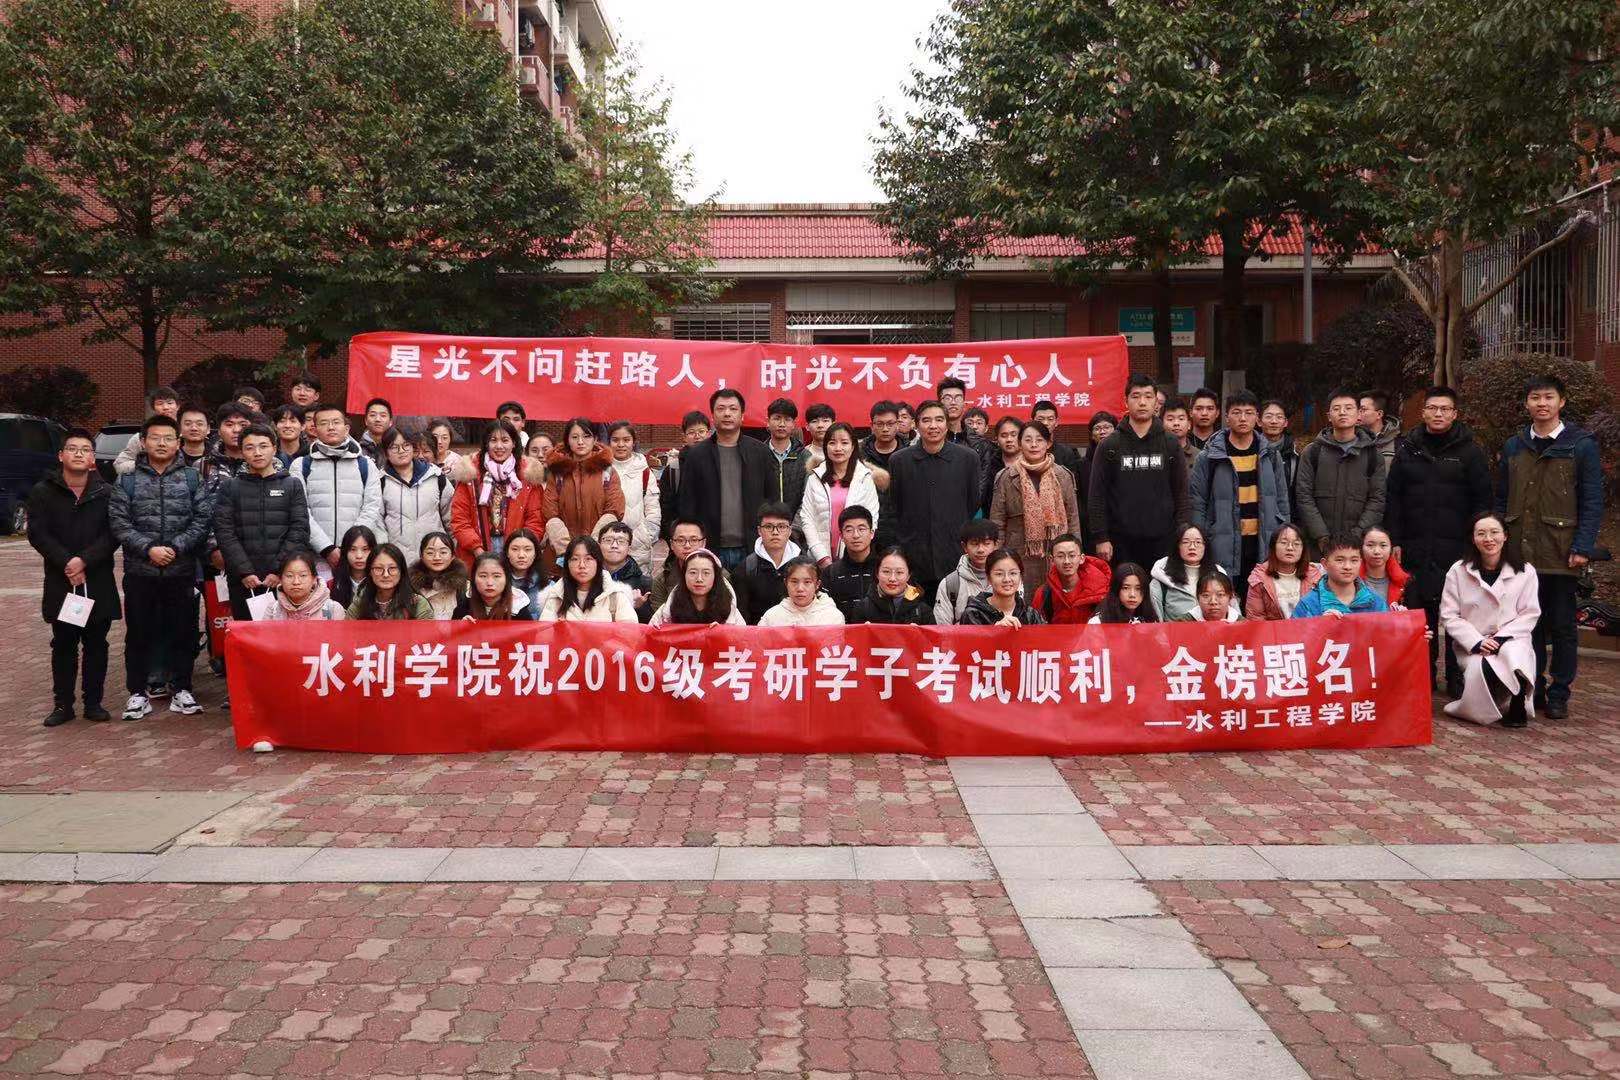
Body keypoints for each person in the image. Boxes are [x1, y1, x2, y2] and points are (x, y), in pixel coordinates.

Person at [1494, 374, 1603, 719]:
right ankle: (1534, 686)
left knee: (1563, 625)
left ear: (1562, 402)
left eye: (1549, 397)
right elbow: (1501, 497)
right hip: (1520, 552)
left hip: (1561, 551)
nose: (1542, 404)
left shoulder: (1580, 445)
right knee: (1528, 624)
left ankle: (1559, 692)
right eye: (1535, 398)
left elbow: (1592, 501)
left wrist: (1582, 545)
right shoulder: (1515, 445)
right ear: (1527, 403)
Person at [1384, 386, 1493, 694]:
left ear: (1454, 414)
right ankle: (1424, 674)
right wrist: (1395, 539)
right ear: (1423, 412)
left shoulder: (1470, 452)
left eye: (1445, 409)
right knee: (1422, 613)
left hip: (1457, 547)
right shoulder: (1408, 449)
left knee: (1458, 614)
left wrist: (1477, 542)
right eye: (1432, 408)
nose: (1438, 414)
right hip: (1415, 545)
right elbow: (1393, 498)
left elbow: (1483, 501)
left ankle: (1458, 677)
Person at [108, 415, 211, 720]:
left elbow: (202, 520)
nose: (162, 443)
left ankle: (182, 688)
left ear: (178, 442)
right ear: (143, 442)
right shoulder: (127, 480)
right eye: (155, 438)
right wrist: (148, 549)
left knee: (183, 632)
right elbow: (119, 523)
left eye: (168, 438)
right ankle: (138, 693)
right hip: (141, 572)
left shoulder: (192, 478)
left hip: (181, 571)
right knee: (139, 633)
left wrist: (176, 548)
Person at [28, 429, 120, 727]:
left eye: (85, 449)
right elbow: (37, 533)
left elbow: (113, 534)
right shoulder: (43, 491)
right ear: (61, 455)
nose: (79, 453)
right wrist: (67, 561)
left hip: (97, 578)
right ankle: (63, 705)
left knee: (97, 643)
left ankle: (93, 703)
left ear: (93, 458)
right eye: (72, 448)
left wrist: (84, 560)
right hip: (62, 579)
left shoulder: (106, 493)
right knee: (63, 643)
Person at [1189, 390, 1291, 601]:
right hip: (1222, 542)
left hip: (1262, 541)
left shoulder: (1270, 455)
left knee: (1260, 600)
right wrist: (1201, 538)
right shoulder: (1210, 456)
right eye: (1236, 412)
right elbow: (1198, 502)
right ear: (1227, 417)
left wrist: (1283, 534)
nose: (1243, 418)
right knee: (1225, 601)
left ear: (1257, 418)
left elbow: (1281, 500)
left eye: (1249, 413)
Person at [1441, 513, 1541, 728]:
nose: (1488, 539)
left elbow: (1530, 613)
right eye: (1481, 533)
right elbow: (1449, 615)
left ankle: (1518, 703)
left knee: (1513, 654)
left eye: (1494, 532)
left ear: (1505, 535)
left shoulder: (1525, 571)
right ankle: (1487, 703)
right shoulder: (1458, 571)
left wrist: (1501, 638)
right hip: (1473, 642)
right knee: (1482, 667)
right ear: (1473, 538)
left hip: (1512, 638)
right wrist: (1477, 641)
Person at [1089, 374, 1189, 572]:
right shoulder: (1110, 445)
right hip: (1120, 542)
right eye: (1135, 396)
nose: (1142, 402)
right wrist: (1101, 537)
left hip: (1164, 540)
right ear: (1125, 401)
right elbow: (1097, 495)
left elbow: (1181, 493)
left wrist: (1182, 534)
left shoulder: (1170, 443)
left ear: (1156, 403)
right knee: (1126, 589)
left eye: (1148, 396)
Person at [212, 423, 310, 620]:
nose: (257, 453)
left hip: (285, 578)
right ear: (242, 452)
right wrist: (244, 571)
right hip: (243, 579)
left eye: (263, 446)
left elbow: (299, 529)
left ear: (274, 448)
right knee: (247, 633)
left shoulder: (292, 485)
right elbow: (224, 532)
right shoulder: (230, 487)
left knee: (285, 633)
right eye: (249, 447)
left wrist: (279, 571)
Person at [888, 400, 982, 599]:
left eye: (939, 420)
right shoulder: (899, 461)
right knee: (914, 609)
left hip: (953, 552)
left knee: (955, 610)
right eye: (926, 420)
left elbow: (973, 503)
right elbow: (895, 506)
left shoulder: (968, 458)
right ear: (916, 425)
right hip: (913, 556)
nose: (933, 426)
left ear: (947, 425)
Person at [678, 389, 776, 570]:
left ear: (742, 415)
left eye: (733, 409)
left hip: (753, 547)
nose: (727, 413)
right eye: (721, 409)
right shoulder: (697, 455)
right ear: (712, 416)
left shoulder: (760, 452)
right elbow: (687, 503)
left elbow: (772, 499)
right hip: (709, 547)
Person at [1294, 387, 1386, 558]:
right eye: (1336, 408)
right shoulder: (1312, 452)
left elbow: (1377, 499)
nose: (1342, 412)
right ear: (1329, 416)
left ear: (1359, 414)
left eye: (1348, 408)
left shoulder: (1373, 455)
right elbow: (1303, 496)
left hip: (1357, 545)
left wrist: (1357, 535)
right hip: (1317, 545)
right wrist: (1321, 536)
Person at [990, 420, 1081, 586]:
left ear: (1048, 444)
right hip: (1019, 553)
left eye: (1039, 440)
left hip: (1057, 554)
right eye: (1028, 440)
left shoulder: (1062, 475)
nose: (1034, 445)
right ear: (1020, 444)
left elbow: (1072, 518)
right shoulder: (1006, 477)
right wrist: (997, 557)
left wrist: (1075, 553)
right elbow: (997, 522)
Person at [294, 404, 382, 573]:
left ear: (346, 428)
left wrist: (353, 546)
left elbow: (372, 507)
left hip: (357, 555)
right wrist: (326, 548)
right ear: (315, 429)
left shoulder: (365, 465)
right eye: (324, 423)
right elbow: (300, 511)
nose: (331, 427)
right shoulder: (302, 465)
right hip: (315, 556)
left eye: (336, 422)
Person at [450, 420, 546, 568]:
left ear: (514, 443)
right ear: (486, 443)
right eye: (493, 440)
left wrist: (521, 549)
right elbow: (459, 519)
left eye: (505, 440)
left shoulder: (528, 475)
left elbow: (535, 519)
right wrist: (478, 551)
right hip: (476, 549)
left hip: (517, 550)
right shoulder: (469, 473)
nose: (499, 446)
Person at [799, 422, 883, 566]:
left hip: (856, 557)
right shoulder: (815, 478)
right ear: (825, 447)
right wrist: (822, 558)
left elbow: (872, 517)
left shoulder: (864, 478)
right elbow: (807, 518)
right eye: (832, 443)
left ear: (853, 446)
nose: (838, 448)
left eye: (844, 443)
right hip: (819, 557)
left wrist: (857, 552)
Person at [543, 418, 625, 560]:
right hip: (562, 554)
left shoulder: (607, 472)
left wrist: (591, 548)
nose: (580, 442)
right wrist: (569, 553)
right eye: (575, 437)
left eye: (586, 436)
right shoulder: (557, 473)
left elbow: (613, 510)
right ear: (567, 440)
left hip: (598, 553)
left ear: (595, 439)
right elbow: (550, 513)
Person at [376, 425, 454, 561]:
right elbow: (378, 524)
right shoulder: (380, 482)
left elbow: (452, 519)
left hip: (435, 558)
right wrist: (385, 555)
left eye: (406, 445)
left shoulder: (435, 477)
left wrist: (452, 550)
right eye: (394, 447)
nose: (401, 451)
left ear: (412, 447)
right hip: (398, 560)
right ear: (386, 452)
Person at [535, 535, 640, 622]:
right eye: (575, 559)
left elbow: (630, 634)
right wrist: (557, 630)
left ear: (598, 562)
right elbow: (544, 635)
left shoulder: (615, 595)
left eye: (588, 559)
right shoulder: (556, 595)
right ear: (567, 563)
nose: (582, 565)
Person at [730, 503, 801, 624]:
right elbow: (741, 616)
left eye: (781, 526)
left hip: (797, 632)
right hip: (758, 632)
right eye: (768, 527)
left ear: (790, 531)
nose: (775, 532)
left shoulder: (804, 565)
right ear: (759, 530)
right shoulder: (746, 568)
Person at [644, 517, 728, 618]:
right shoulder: (661, 581)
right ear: (671, 544)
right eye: (680, 540)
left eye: (694, 540)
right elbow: (660, 619)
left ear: (704, 543)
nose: (687, 545)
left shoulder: (722, 576)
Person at [605, 421, 661, 570]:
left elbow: (653, 508)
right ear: (609, 442)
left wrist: (645, 537)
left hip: (638, 546)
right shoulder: (601, 470)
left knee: (637, 584)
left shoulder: (644, 472)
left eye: (626, 440)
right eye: (615, 440)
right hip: (606, 545)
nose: (621, 445)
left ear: (633, 442)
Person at [1292, 535, 1389, 619]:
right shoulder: (1308, 604)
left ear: (1360, 562)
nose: (1347, 567)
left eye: (1354, 560)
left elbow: (1388, 632)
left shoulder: (1375, 601)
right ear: (1325, 564)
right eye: (1340, 560)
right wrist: (1320, 625)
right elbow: (1293, 634)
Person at [1245, 523, 1322, 621]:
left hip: (1309, 629)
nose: (1290, 548)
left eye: (1296, 544)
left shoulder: (1314, 575)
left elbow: (1322, 610)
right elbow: (1256, 618)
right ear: (1273, 547)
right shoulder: (1259, 578)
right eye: (1284, 542)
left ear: (1303, 550)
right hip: (1273, 630)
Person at [648, 548, 744, 626]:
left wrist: (723, 633)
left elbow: (742, 639)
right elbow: (651, 636)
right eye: (693, 573)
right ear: (684, 575)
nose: (699, 579)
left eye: (706, 573)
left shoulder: (730, 610)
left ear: (716, 577)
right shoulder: (668, 609)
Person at [1030, 534, 1111, 625]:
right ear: (1052, 560)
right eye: (1060, 556)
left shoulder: (1101, 591)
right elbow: (1036, 627)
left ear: (1082, 558)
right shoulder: (1043, 594)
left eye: (1072, 555)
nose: (1067, 561)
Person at [1150, 524, 1223, 622]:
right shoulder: (1162, 579)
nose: (1192, 547)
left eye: (1198, 542)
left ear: (1205, 546)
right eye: (1185, 542)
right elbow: (1156, 624)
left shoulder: (1219, 576)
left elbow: (1233, 616)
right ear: (1177, 546)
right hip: (1175, 632)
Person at [934, 519, 1000, 626]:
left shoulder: (1008, 580)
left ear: (996, 545)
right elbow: (942, 628)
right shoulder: (950, 584)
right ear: (964, 547)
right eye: (975, 544)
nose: (981, 549)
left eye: (986, 543)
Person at [658, 409, 710, 543]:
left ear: (709, 433)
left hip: (713, 538)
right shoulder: (674, 469)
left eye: (701, 431)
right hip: (683, 540)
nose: (697, 436)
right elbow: (665, 508)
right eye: (691, 432)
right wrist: (673, 536)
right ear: (684, 436)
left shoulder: (719, 463)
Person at [247, 552, 346, 622]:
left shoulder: (332, 609)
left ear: (314, 579)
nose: (296, 582)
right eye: (289, 576)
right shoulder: (273, 610)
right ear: (280, 580)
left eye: (303, 575)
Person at [959, 549, 1046, 627]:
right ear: (989, 578)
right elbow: (968, 640)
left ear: (1021, 577)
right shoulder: (974, 614)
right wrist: (994, 631)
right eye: (999, 574)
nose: (1007, 579)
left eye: (1013, 573)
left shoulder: (1030, 615)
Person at [860, 400, 904, 551]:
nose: (885, 429)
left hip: (902, 529)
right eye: (880, 424)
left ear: (897, 424)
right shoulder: (859, 455)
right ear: (871, 426)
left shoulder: (910, 454)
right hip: (867, 529)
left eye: (890, 424)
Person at [847, 548, 936, 625]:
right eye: (886, 572)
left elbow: (934, 639)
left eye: (899, 572)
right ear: (877, 573)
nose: (892, 578)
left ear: (909, 575)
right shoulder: (862, 609)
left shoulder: (923, 611)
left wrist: (920, 636)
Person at [347, 542, 432, 619]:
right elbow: (347, 628)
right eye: (378, 568)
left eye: (392, 568)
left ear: (401, 571)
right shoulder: (360, 603)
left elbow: (428, 631)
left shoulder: (417, 603)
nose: (386, 575)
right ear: (370, 572)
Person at [822, 505, 880, 617]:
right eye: (849, 530)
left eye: (861, 529)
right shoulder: (831, 573)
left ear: (872, 533)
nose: (856, 535)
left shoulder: (885, 568)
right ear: (841, 536)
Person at [758, 557, 845, 626]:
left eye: (807, 582)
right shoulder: (772, 617)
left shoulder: (833, 617)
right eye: (794, 582)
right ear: (786, 583)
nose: (800, 588)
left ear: (817, 584)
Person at [113, 385, 180, 475]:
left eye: (170, 403)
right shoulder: (140, 437)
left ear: (178, 406)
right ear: (153, 408)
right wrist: (147, 465)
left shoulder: (188, 434)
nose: (165, 407)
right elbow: (119, 465)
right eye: (160, 403)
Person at [409, 531, 465, 620]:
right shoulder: (410, 586)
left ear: (453, 556)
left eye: (443, 552)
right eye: (430, 553)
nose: (437, 557)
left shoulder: (464, 586)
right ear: (421, 556)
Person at [456, 553, 527, 620]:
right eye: (483, 576)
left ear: (506, 579)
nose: (489, 583)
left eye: (496, 576)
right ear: (473, 578)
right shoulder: (463, 609)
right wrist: (461, 625)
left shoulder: (518, 609)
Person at [599, 521, 651, 607]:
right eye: (608, 540)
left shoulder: (644, 584)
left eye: (621, 541)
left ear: (629, 548)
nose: (614, 545)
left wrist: (637, 606)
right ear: (599, 545)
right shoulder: (588, 578)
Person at [980, 415, 1023, 513]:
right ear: (997, 440)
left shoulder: (1032, 463)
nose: (1009, 439)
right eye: (1004, 435)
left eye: (1014, 435)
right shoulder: (988, 465)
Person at [1358, 526, 1409, 608]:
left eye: (1383, 545)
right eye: (1370, 545)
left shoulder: (1405, 582)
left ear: (1391, 549)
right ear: (1361, 548)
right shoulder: (1350, 580)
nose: (1377, 551)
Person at [1090, 563, 1158, 624]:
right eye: (1125, 588)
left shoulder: (1151, 620)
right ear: (1116, 589)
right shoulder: (1097, 622)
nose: (1132, 594)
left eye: (1138, 589)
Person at [328, 524, 376, 610]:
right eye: (353, 549)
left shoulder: (381, 583)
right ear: (345, 552)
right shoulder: (330, 586)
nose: (359, 556)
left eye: (365, 549)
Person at [503, 527, 546, 619]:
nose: (521, 555)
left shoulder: (548, 586)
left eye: (527, 549)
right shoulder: (497, 584)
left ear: (535, 554)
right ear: (507, 553)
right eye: (515, 549)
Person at [1260, 399, 1300, 495]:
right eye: (1268, 416)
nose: (1274, 421)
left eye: (1279, 417)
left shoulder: (1296, 451)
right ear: (1259, 421)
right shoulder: (1251, 449)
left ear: (1285, 423)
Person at [1359, 389, 1401, 478]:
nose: (1358, 414)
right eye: (1358, 409)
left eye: (1363, 409)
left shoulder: (1398, 443)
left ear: (1379, 414)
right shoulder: (1353, 439)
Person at [1160, 397, 1198, 476]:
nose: (1176, 423)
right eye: (1170, 419)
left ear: (1189, 425)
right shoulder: (1154, 454)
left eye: (1181, 419)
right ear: (1161, 424)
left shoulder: (1199, 456)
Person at [802, 403, 837, 471]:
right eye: (814, 421)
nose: (820, 425)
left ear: (833, 424)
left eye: (825, 421)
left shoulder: (843, 452)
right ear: (807, 426)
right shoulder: (801, 455)